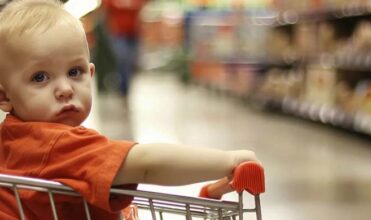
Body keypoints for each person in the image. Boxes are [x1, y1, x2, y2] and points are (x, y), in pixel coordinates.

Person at [0, 0, 260, 219]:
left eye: (74, 72)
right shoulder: (55, 144)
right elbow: (146, 163)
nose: (65, 89)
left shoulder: (13, 137)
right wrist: (229, 161)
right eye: (40, 78)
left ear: (91, 74)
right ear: (4, 96)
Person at [100, 0, 146, 96]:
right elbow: (105, 9)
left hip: (134, 33)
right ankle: (123, 88)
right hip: (119, 34)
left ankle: (125, 87)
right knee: (122, 59)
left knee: (131, 61)